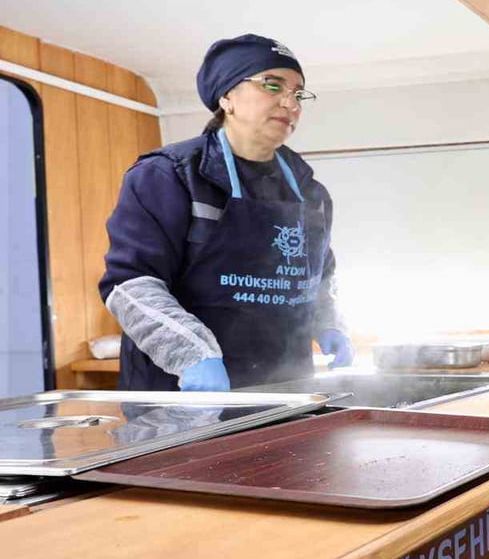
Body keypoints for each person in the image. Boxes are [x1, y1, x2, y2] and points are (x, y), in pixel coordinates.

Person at [100, 34, 352, 391]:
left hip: (285, 390)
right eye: (272, 85)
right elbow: (130, 286)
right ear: (226, 96)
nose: (290, 103)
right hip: (183, 394)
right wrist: (194, 355)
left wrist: (330, 322)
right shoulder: (170, 176)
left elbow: (319, 278)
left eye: (298, 94)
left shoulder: (310, 192)